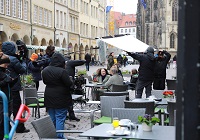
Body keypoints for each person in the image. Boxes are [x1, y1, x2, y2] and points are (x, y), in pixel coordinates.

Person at [42, 53, 73, 139]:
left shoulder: (45, 70)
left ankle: (52, 136)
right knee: (60, 117)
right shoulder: (62, 71)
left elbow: (45, 82)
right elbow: (69, 83)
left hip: (49, 95)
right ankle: (59, 136)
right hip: (61, 96)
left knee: (52, 117)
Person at [2, 41, 30, 133]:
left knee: (6, 108)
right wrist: (24, 62)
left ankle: (7, 127)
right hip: (13, 87)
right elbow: (23, 70)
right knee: (17, 108)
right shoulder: (13, 59)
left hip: (4, 88)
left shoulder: (2, 57)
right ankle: (19, 127)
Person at [0, 52, 18, 140]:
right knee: (2, 123)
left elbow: (7, 85)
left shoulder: (6, 71)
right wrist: (6, 81)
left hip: (8, 99)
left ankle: (6, 136)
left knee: (6, 121)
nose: (7, 67)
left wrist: (12, 81)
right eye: (5, 65)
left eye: (8, 65)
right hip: (1, 101)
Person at [65, 55, 85, 121]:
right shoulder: (69, 62)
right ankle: (71, 115)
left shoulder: (59, 63)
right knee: (69, 100)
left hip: (61, 84)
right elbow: (82, 61)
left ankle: (66, 114)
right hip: (69, 84)